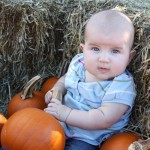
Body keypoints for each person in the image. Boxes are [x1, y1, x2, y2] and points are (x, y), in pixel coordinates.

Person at [44, 9, 136, 150]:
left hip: (88, 137)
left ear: (129, 57)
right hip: (60, 122)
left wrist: (66, 113)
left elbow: (103, 118)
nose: (104, 59)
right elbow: (65, 79)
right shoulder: (79, 63)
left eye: (115, 51)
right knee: (28, 136)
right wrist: (57, 89)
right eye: (95, 49)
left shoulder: (121, 86)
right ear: (84, 49)